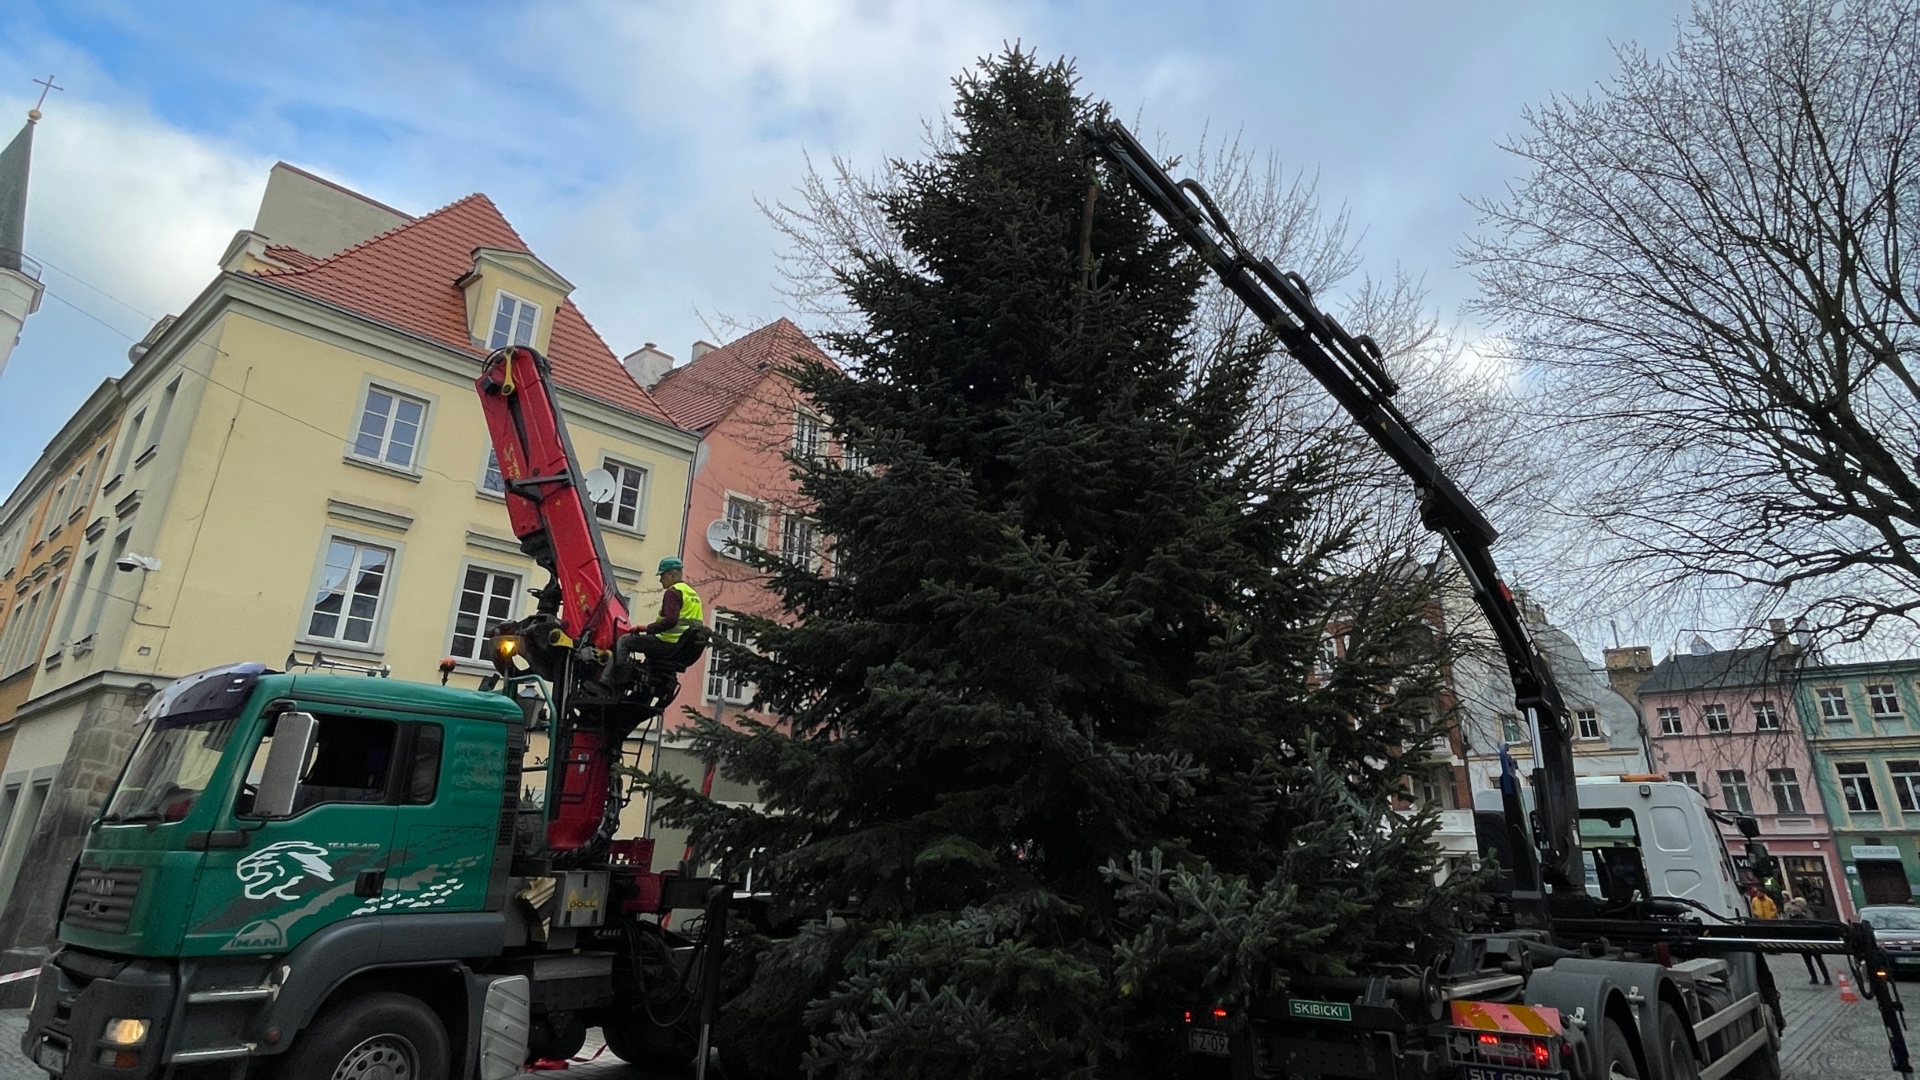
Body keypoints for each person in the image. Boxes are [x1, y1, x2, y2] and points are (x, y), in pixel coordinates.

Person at [626, 556, 707, 670]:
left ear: (672, 575)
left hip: (668, 642)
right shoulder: (692, 594)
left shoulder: (673, 592)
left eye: (662, 575)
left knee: (625, 641)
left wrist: (646, 628)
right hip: (682, 646)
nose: (660, 580)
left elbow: (670, 620)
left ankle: (607, 681)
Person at [1786, 896, 1832, 984]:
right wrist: (1792, 915)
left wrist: (1800, 915)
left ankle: (1827, 978)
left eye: (1796, 904)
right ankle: (1814, 978)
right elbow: (1790, 924)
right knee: (1808, 961)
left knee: (1819, 960)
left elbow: (1810, 922)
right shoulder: (1793, 915)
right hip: (1802, 940)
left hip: (1812, 940)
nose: (1794, 907)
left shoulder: (1807, 913)